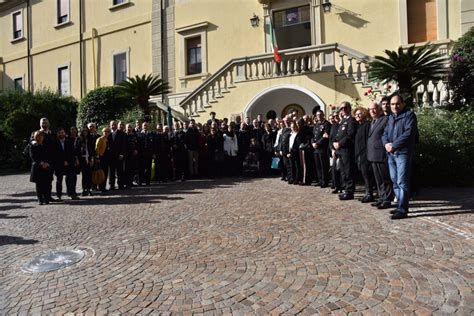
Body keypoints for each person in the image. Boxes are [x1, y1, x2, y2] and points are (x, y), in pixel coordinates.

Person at [382, 95, 418, 220]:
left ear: (403, 104)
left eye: (397, 104)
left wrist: (394, 145)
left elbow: (409, 134)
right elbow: (385, 133)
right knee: (395, 180)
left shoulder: (409, 115)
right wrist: (386, 144)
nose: (394, 106)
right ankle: (399, 206)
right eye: (392, 104)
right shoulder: (390, 117)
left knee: (402, 181)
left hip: (403, 152)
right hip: (391, 153)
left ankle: (403, 209)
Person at [367, 101, 393, 209]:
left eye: (374, 108)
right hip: (373, 154)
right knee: (378, 179)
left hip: (381, 153)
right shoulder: (373, 121)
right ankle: (381, 197)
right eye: (370, 109)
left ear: (379, 109)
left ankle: (387, 199)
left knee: (384, 178)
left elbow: (386, 135)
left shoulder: (385, 119)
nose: (372, 111)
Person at [333, 101, 357, 200]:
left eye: (345, 107)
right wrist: (335, 143)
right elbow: (338, 135)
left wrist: (340, 143)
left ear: (349, 108)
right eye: (341, 108)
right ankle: (345, 189)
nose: (343, 110)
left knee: (348, 171)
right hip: (340, 150)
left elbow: (350, 134)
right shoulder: (343, 121)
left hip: (346, 150)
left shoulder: (351, 120)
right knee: (343, 171)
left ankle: (349, 191)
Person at [354, 107, 375, 203]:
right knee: (364, 175)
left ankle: (369, 194)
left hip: (365, 154)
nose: (357, 115)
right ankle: (367, 193)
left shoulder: (367, 125)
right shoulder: (358, 126)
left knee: (367, 175)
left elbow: (368, 141)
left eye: (360, 113)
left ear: (364, 114)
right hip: (359, 155)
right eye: (356, 114)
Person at [54, 128, 79, 200]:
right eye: (59, 133)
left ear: (65, 133)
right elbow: (55, 154)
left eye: (62, 132)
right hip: (59, 164)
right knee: (59, 180)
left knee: (70, 179)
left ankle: (72, 194)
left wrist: (70, 161)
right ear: (57, 134)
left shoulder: (69, 142)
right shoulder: (55, 142)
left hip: (69, 163)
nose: (61, 134)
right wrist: (62, 161)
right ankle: (59, 195)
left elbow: (72, 153)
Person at [29, 131, 53, 205]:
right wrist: (41, 163)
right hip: (38, 167)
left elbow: (49, 155)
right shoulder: (33, 146)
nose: (40, 137)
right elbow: (33, 156)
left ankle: (46, 198)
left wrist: (47, 163)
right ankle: (40, 199)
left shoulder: (45, 145)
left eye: (41, 136)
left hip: (46, 167)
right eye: (38, 136)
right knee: (39, 185)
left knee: (46, 183)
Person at [312, 111, 331, 188]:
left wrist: (318, 143)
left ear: (323, 115)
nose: (318, 116)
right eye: (317, 115)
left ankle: (324, 181)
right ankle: (320, 180)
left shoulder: (326, 124)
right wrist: (313, 143)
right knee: (318, 166)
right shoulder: (316, 124)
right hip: (316, 149)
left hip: (322, 148)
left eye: (320, 115)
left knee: (324, 166)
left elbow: (325, 136)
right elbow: (313, 136)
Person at [108, 121, 127, 190]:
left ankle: (120, 184)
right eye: (112, 125)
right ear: (110, 125)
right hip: (111, 156)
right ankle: (111, 185)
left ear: (117, 125)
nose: (113, 126)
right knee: (111, 171)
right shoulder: (108, 133)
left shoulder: (122, 134)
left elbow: (124, 145)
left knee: (120, 171)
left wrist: (122, 154)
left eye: (115, 124)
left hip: (119, 155)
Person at [77, 126, 95, 196]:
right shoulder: (78, 139)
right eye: (83, 131)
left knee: (89, 174)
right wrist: (77, 159)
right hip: (82, 159)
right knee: (84, 175)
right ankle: (84, 189)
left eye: (86, 131)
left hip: (89, 158)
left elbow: (93, 150)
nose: (85, 132)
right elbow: (76, 150)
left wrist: (92, 159)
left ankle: (89, 189)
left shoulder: (90, 139)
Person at [329, 112, 342, 193]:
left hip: (341, 149)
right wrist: (332, 149)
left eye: (337, 116)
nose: (335, 117)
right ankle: (337, 186)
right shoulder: (333, 126)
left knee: (342, 170)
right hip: (334, 151)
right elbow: (331, 139)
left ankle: (343, 186)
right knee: (334, 169)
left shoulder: (343, 124)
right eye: (334, 116)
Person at [95, 127, 111, 192]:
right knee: (101, 173)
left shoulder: (108, 139)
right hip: (101, 158)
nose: (106, 133)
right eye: (105, 131)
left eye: (107, 131)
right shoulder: (100, 139)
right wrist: (97, 157)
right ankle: (100, 187)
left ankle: (103, 187)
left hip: (107, 158)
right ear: (102, 132)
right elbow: (96, 149)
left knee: (106, 173)